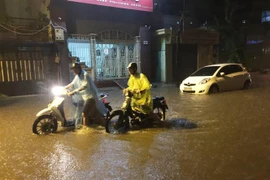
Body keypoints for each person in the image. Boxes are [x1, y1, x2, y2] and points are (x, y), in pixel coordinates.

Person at [65, 62, 107, 129]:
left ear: (79, 68)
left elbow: (85, 86)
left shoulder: (85, 75)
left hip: (91, 97)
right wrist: (64, 87)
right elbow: (72, 84)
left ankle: (86, 131)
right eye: (73, 69)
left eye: (75, 69)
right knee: (95, 115)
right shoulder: (77, 76)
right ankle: (106, 126)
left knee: (84, 114)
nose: (74, 71)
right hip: (85, 97)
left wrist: (74, 92)